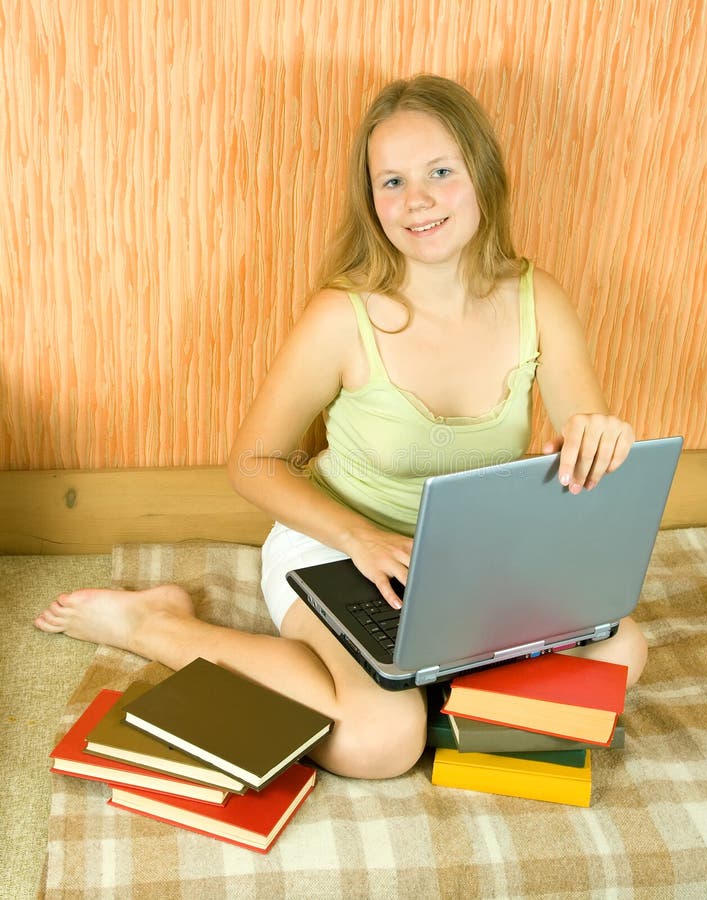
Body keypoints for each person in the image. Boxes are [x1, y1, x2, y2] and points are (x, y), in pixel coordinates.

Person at [35, 75, 646, 780]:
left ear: (482, 175)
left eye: (440, 172)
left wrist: (599, 445)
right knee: (379, 744)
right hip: (336, 548)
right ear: (372, 200)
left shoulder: (542, 300)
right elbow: (253, 462)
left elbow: (582, 445)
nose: (416, 200)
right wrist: (360, 537)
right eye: (392, 182)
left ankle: (435, 687)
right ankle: (159, 623)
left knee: (624, 649)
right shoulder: (340, 315)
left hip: (466, 564)